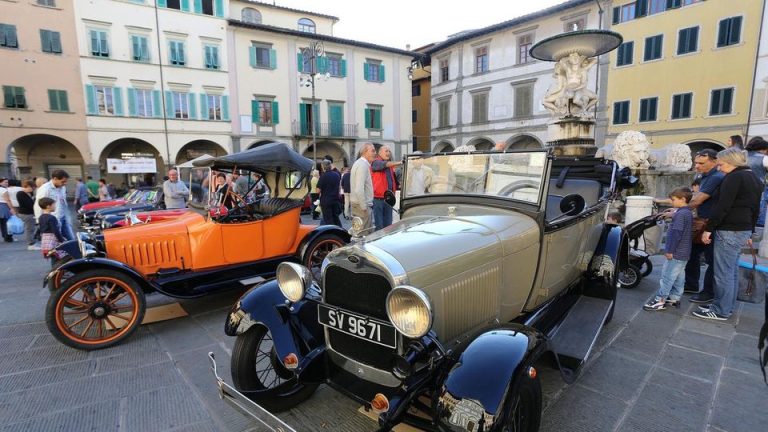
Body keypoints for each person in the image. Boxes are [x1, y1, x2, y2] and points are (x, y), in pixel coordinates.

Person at [694, 148, 763, 321]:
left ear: (732, 162)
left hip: (729, 229)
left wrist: (708, 229)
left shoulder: (733, 177)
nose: (718, 167)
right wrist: (751, 230)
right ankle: (725, 306)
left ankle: (720, 310)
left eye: (721, 164)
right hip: (742, 228)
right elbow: (756, 207)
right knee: (730, 271)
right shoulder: (753, 177)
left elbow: (722, 207)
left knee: (723, 272)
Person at [644, 188, 694, 311]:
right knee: (679, 277)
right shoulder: (687, 212)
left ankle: (660, 300)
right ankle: (674, 298)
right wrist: (675, 212)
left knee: (667, 277)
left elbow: (676, 234)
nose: (671, 202)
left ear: (683, 199)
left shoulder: (680, 215)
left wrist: (670, 251)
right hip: (684, 253)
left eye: (673, 200)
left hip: (676, 252)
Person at [686, 149, 725, 303]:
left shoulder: (716, 177)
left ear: (714, 161)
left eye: (701, 163)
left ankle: (707, 292)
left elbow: (697, 200)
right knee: (693, 253)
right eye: (696, 162)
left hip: (710, 223)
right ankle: (691, 284)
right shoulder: (705, 176)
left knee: (711, 259)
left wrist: (678, 209)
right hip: (703, 221)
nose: (697, 166)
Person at [34, 170, 74, 242]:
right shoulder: (45, 189)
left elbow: (63, 202)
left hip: (63, 217)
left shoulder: (62, 187)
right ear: (55, 179)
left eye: (66, 181)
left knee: (71, 239)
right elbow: (38, 205)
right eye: (63, 181)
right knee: (57, 242)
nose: (65, 183)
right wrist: (39, 221)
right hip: (53, 219)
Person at [371, 145, 402, 231]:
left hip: (388, 199)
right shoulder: (375, 162)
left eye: (389, 151)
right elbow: (384, 165)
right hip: (378, 199)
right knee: (379, 226)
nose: (388, 153)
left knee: (388, 225)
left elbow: (392, 180)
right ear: (380, 153)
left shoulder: (390, 166)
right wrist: (400, 162)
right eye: (386, 151)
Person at [350, 143, 376, 231]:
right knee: (364, 235)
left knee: (359, 233)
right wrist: (364, 207)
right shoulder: (362, 165)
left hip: (358, 204)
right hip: (361, 206)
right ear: (365, 152)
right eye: (372, 151)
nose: (375, 153)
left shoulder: (359, 163)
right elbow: (359, 189)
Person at [745, 137, 768, 226]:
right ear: (764, 149)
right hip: (757, 189)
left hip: (739, 188)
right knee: (757, 213)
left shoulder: (741, 156)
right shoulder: (764, 158)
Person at [38, 197, 65, 267]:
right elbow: (55, 230)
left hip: (45, 239)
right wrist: (61, 239)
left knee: (54, 256)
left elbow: (40, 229)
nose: (55, 206)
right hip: (52, 239)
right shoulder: (51, 218)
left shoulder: (41, 217)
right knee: (57, 256)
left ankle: (55, 271)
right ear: (48, 206)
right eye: (54, 205)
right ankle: (56, 272)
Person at [317, 160, 342, 227]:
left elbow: (318, 190)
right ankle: (340, 231)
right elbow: (339, 187)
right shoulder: (336, 174)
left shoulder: (323, 176)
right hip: (335, 199)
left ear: (323, 167)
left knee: (328, 220)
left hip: (326, 200)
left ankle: (332, 234)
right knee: (336, 217)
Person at [16, 180, 39, 250]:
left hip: (29, 213)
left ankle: (32, 242)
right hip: (26, 213)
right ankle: (31, 244)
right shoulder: (20, 193)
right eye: (32, 187)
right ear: (27, 186)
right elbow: (28, 204)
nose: (33, 189)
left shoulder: (29, 193)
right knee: (29, 229)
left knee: (31, 228)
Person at [0, 178, 15, 242]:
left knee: (2, 223)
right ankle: (8, 237)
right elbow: (7, 200)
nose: (7, 184)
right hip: (3, 206)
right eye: (5, 182)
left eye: (7, 182)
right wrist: (12, 208)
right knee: (6, 222)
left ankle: (5, 236)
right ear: (0, 183)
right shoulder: (3, 190)